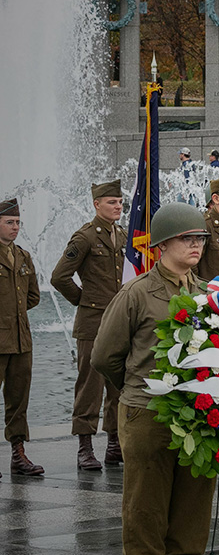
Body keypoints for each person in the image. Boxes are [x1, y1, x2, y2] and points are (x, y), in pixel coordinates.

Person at [92, 202, 215, 555]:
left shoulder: (208, 295)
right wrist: (137, 389)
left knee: (191, 513)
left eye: (200, 238)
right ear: (163, 245)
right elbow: (105, 356)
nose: (196, 245)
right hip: (148, 415)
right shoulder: (137, 293)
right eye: (187, 238)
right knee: (145, 512)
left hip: (200, 418)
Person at [50, 180, 127, 471]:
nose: (118, 206)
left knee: (117, 385)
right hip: (93, 321)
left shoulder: (121, 235)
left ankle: (113, 444)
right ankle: (84, 447)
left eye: (120, 202)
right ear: (97, 204)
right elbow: (59, 277)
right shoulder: (85, 237)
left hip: (118, 322)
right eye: (111, 202)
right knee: (90, 386)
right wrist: (84, 300)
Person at [0, 197, 42, 477]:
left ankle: (18, 454)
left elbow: (34, 296)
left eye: (17, 223)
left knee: (18, 399)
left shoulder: (23, 256)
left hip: (21, 340)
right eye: (9, 222)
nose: (15, 227)